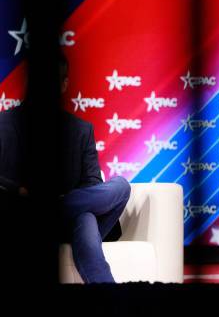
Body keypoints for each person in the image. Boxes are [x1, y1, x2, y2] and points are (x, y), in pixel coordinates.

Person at [0, 53, 130, 283]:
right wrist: (18, 190)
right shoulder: (3, 124)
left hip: (66, 221)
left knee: (120, 187)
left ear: (64, 85)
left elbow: (92, 183)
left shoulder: (81, 130)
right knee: (87, 221)